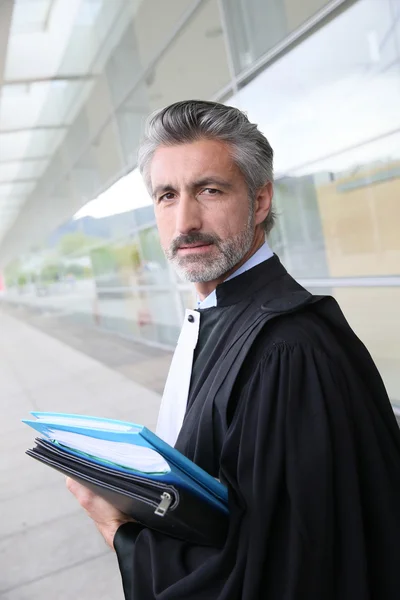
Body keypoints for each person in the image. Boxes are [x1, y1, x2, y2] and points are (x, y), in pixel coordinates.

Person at [67, 100, 400, 599]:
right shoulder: (217, 317)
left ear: (260, 201)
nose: (185, 221)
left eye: (209, 190)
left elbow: (274, 574)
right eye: (166, 196)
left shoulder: (285, 351)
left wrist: (119, 531)